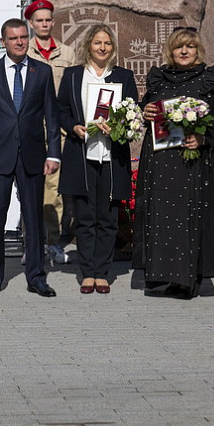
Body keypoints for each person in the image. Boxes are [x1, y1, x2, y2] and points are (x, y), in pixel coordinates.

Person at [134, 28, 214, 298]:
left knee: (189, 218)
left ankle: (187, 280)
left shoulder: (210, 79)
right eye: (179, 47)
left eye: (190, 46)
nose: (184, 51)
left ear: (198, 49)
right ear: (171, 50)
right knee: (162, 219)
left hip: (194, 163)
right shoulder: (159, 77)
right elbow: (147, 109)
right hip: (161, 160)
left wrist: (203, 139)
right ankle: (160, 276)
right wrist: (147, 111)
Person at [0, 18, 61, 297]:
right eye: (13, 38)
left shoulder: (42, 72)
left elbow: (52, 116)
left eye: (24, 37)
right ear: (3, 42)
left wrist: (54, 154)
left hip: (34, 156)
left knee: (34, 220)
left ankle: (36, 277)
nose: (20, 42)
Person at [56, 24, 137, 294]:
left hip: (112, 157)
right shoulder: (73, 75)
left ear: (113, 48)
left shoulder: (123, 77)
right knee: (85, 217)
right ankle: (87, 272)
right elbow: (62, 110)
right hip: (82, 155)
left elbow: (132, 113)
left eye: (108, 44)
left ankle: (102, 272)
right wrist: (74, 126)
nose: (102, 48)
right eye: (97, 43)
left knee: (108, 218)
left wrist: (117, 127)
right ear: (88, 45)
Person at [24, 0, 76, 266]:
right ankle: (30, 243)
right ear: (31, 24)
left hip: (58, 131)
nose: (44, 24)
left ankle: (54, 243)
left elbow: (72, 93)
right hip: (30, 130)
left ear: (53, 22)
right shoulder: (24, 51)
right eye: (39, 20)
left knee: (53, 192)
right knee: (28, 189)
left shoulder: (67, 54)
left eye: (48, 20)